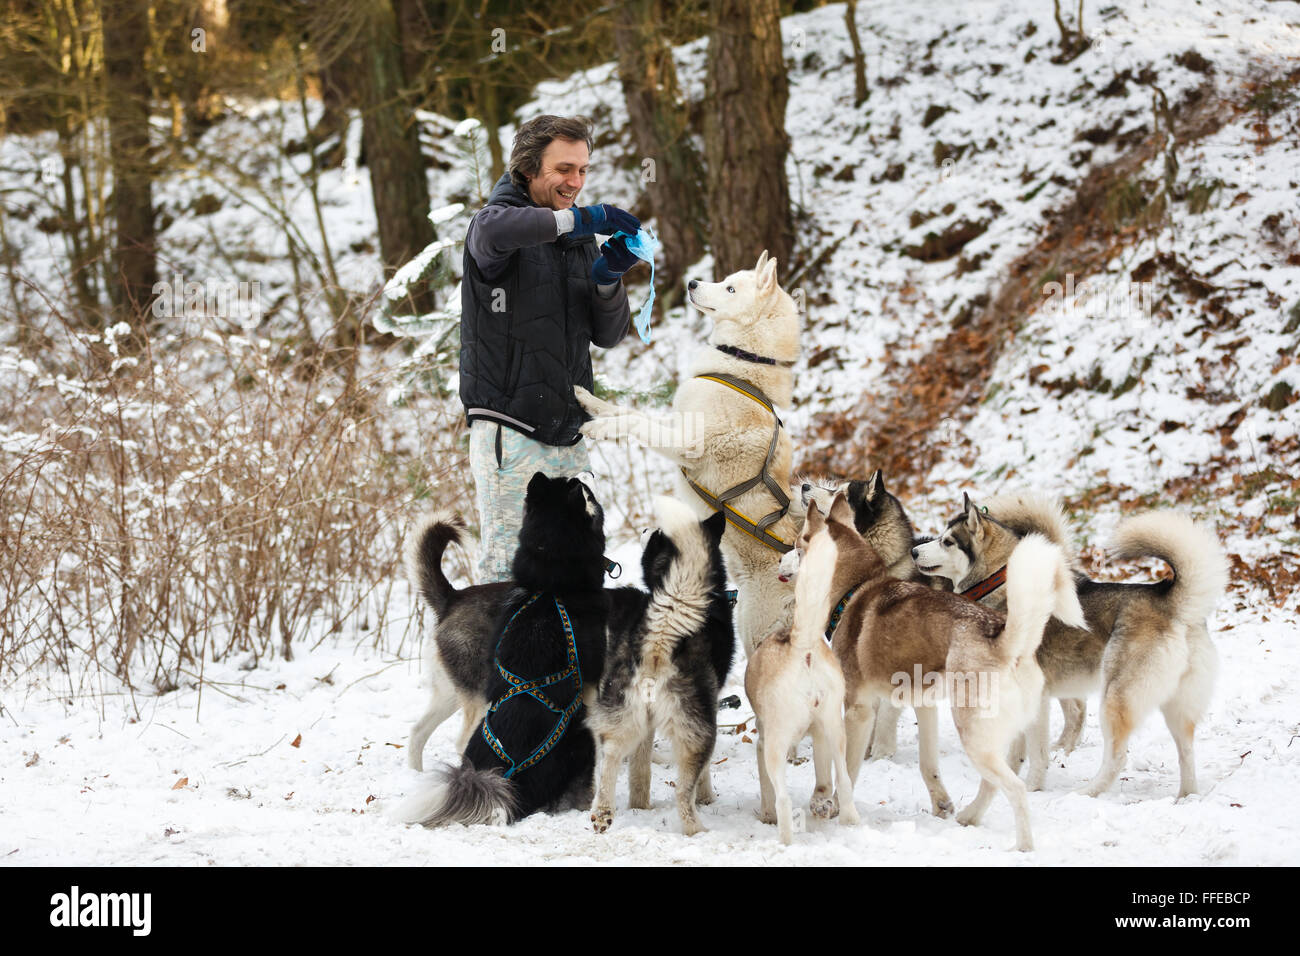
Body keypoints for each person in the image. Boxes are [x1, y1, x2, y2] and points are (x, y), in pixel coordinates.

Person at [459, 114, 644, 582]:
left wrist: (607, 280)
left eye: (583, 170)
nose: (576, 181)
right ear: (528, 168)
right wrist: (582, 218)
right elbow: (498, 230)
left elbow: (608, 334)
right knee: (509, 579)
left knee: (577, 577)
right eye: (564, 169)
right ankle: (493, 660)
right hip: (513, 430)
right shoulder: (494, 225)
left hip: (570, 436)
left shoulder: (576, 236)